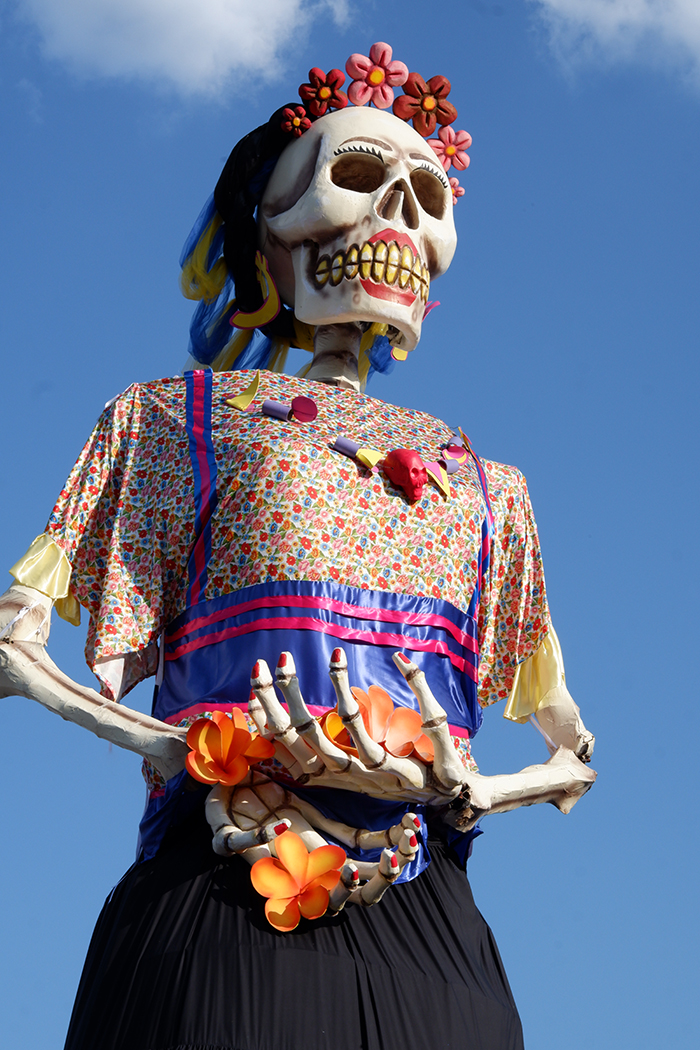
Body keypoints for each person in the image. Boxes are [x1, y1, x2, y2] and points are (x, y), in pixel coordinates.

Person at [0, 43, 595, 1050]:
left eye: (426, 196)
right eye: (356, 180)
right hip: (221, 900)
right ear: (262, 229)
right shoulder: (171, 421)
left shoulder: (494, 489)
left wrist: (474, 786)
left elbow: (570, 748)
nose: (395, 220)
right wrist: (194, 748)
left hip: (429, 925)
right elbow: (15, 646)